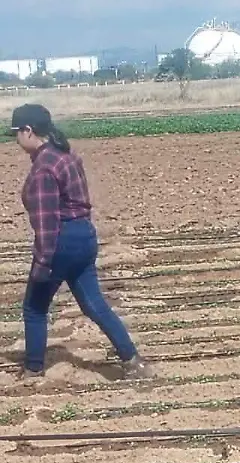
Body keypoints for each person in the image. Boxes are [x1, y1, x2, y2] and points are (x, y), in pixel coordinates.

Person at [8, 104, 152, 381]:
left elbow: (46, 225)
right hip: (85, 235)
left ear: (28, 131)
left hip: (61, 241)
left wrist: (42, 263)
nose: (15, 139)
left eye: (16, 132)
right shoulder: (66, 155)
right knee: (94, 303)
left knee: (34, 307)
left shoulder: (42, 170)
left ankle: (33, 369)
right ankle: (134, 361)